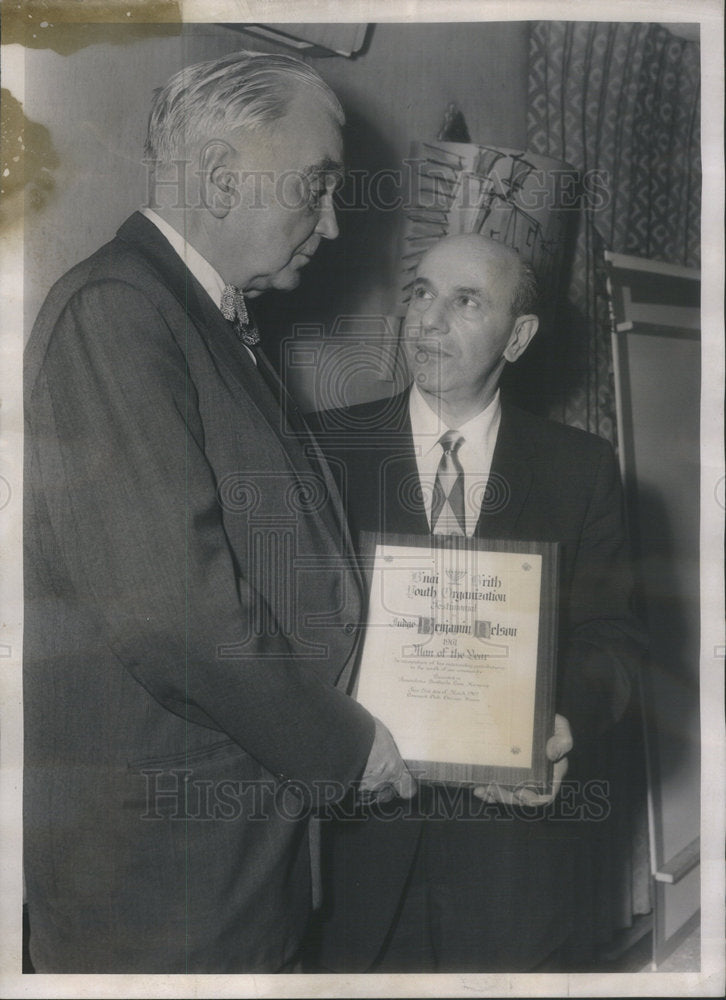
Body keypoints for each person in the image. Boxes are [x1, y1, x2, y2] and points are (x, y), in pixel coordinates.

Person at [23, 50, 414, 974]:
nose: (331, 221)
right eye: (316, 184)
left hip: (236, 857)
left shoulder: (207, 320)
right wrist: (347, 749)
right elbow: (176, 612)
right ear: (219, 176)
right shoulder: (118, 310)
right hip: (163, 885)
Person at [309, 233, 647, 972]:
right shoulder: (325, 450)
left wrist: (558, 724)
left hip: (514, 866)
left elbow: (614, 641)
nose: (429, 320)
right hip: (356, 857)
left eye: (466, 301)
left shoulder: (580, 469)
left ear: (518, 336)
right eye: (421, 293)